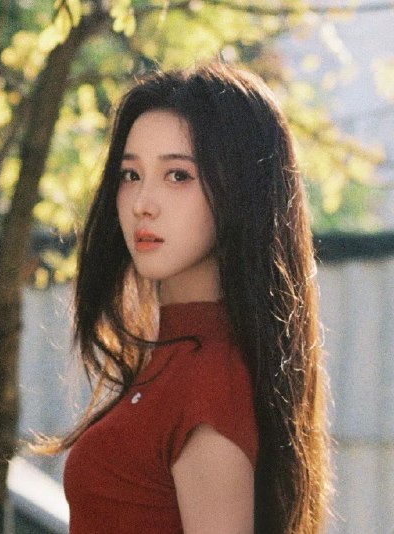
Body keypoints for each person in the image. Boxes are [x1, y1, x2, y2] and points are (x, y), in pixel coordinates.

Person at [39, 63, 331, 533]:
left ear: (241, 190)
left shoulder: (211, 381)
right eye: (130, 174)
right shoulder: (176, 362)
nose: (142, 203)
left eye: (177, 175)